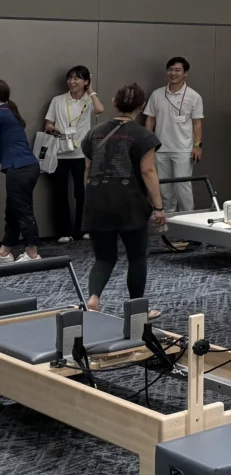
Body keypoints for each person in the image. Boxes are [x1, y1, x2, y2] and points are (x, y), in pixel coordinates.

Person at [81, 83, 166, 310]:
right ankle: (136, 308)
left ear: (114, 103)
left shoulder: (94, 133)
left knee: (103, 258)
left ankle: (94, 298)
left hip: (97, 202)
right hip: (130, 204)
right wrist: (158, 207)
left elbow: (87, 170)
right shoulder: (144, 135)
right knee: (136, 258)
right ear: (142, 106)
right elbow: (148, 171)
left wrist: (91, 198)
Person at [43, 65, 106, 243]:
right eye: (70, 78)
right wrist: (52, 129)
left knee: (82, 192)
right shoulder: (58, 100)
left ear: (86, 81)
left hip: (82, 153)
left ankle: (83, 229)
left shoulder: (89, 100)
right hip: (60, 151)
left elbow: (100, 109)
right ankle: (63, 231)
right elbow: (48, 123)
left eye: (77, 78)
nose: (72, 81)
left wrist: (91, 91)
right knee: (60, 192)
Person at [144, 57, 204, 215]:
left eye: (177, 70)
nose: (173, 73)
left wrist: (197, 146)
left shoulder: (194, 96)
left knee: (183, 186)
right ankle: (168, 219)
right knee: (164, 188)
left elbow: (197, 123)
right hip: (160, 148)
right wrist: (147, 144)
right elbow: (150, 120)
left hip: (183, 149)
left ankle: (188, 219)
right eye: (170, 69)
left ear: (185, 73)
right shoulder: (157, 94)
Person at [0, 80, 41, 262]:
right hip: (23, 168)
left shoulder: (2, 114)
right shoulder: (8, 112)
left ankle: (32, 253)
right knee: (13, 210)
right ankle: (5, 251)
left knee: (22, 211)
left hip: (20, 169)